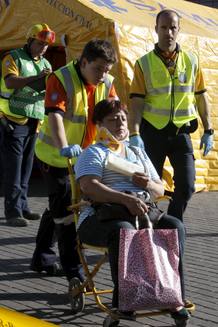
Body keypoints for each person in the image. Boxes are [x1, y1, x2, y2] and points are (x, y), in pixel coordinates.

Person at [74, 99, 190, 324]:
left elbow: (159, 190)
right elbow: (89, 186)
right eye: (112, 120)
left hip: (143, 213)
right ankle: (124, 303)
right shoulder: (94, 152)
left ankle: (175, 297)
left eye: (123, 119)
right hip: (101, 217)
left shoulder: (137, 152)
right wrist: (125, 199)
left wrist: (146, 184)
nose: (120, 124)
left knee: (174, 225)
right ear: (99, 125)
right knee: (124, 230)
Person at [30, 39, 118, 280]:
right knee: (68, 214)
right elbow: (56, 116)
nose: (102, 75)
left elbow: (114, 116)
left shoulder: (107, 83)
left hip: (85, 158)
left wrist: (123, 141)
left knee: (58, 206)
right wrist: (64, 147)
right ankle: (74, 273)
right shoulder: (60, 78)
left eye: (107, 70)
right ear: (84, 62)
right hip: (55, 156)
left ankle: (42, 257)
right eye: (98, 68)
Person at [129, 9, 214, 222]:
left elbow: (201, 97)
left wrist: (209, 129)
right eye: (164, 27)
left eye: (173, 27)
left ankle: (172, 225)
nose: (168, 32)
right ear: (156, 29)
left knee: (187, 186)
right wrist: (134, 133)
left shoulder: (192, 61)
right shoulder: (144, 63)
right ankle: (146, 230)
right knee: (147, 187)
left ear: (179, 30)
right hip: (152, 134)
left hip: (180, 134)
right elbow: (136, 103)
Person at [0, 23, 55, 227]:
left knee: (26, 168)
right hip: (12, 119)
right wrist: (37, 78)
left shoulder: (45, 63)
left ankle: (23, 207)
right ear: (30, 40)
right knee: (13, 168)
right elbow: (10, 82)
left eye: (46, 45)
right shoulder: (12, 57)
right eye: (40, 43)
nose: (43, 48)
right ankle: (13, 212)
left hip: (34, 121)